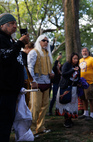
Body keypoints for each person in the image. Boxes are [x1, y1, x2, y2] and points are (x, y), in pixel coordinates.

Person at [0, 13, 29, 142]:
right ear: (2, 25)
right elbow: (5, 57)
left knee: (8, 122)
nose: (15, 26)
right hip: (3, 90)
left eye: (15, 23)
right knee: (3, 124)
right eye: (11, 23)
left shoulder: (10, 40)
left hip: (13, 90)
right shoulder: (0, 39)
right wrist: (19, 43)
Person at [28, 35, 54, 137]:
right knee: (35, 107)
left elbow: (49, 67)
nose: (46, 42)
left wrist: (52, 73)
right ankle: (32, 130)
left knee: (44, 107)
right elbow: (30, 68)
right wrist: (32, 81)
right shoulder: (33, 52)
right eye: (44, 40)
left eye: (47, 41)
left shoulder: (48, 53)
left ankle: (41, 127)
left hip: (47, 83)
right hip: (37, 84)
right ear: (39, 41)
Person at [56, 52, 80, 127]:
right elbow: (63, 74)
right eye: (74, 58)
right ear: (71, 59)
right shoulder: (67, 64)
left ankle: (70, 118)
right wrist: (73, 70)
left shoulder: (77, 66)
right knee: (66, 103)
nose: (76, 60)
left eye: (77, 59)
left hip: (74, 87)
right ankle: (66, 120)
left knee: (72, 103)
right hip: (66, 87)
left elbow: (78, 76)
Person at [78, 47, 93, 121]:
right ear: (81, 53)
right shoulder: (80, 60)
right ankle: (85, 113)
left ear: (88, 52)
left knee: (90, 98)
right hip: (81, 83)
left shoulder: (92, 59)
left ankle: (92, 114)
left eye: (85, 51)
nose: (84, 52)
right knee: (83, 98)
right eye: (83, 51)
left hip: (89, 82)